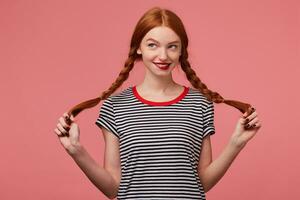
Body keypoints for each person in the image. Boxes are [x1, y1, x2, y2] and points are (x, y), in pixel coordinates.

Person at [54, 6, 261, 200]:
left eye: (172, 47)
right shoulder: (115, 107)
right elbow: (113, 188)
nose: (163, 56)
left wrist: (236, 143)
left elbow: (201, 182)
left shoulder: (200, 104)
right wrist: (76, 150)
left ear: (181, 51)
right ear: (138, 48)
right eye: (152, 45)